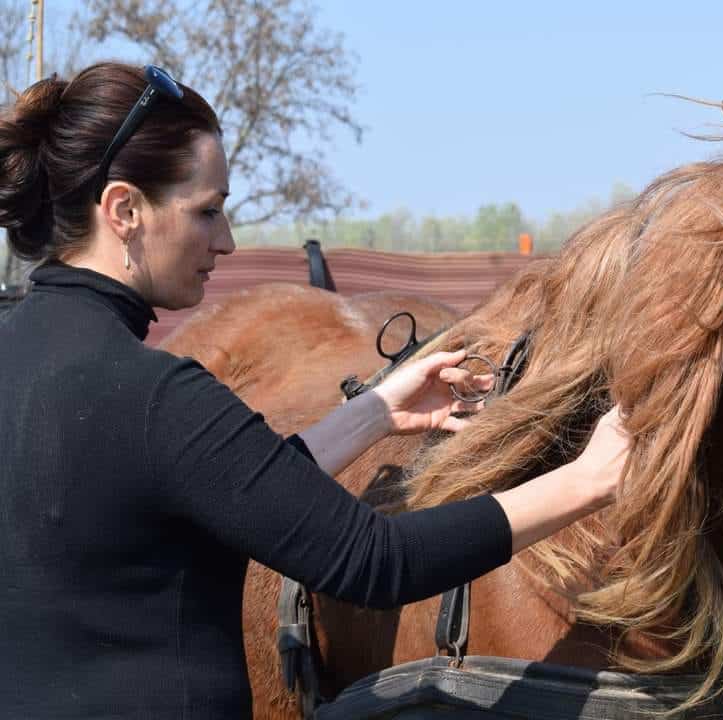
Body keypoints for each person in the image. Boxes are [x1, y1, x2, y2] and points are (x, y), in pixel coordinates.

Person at [0, 63, 630, 719]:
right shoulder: (156, 395)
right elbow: (377, 561)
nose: (227, 240)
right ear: (125, 210)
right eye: (207, 211)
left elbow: (239, 488)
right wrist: (586, 480)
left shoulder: (26, 360)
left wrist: (377, 411)